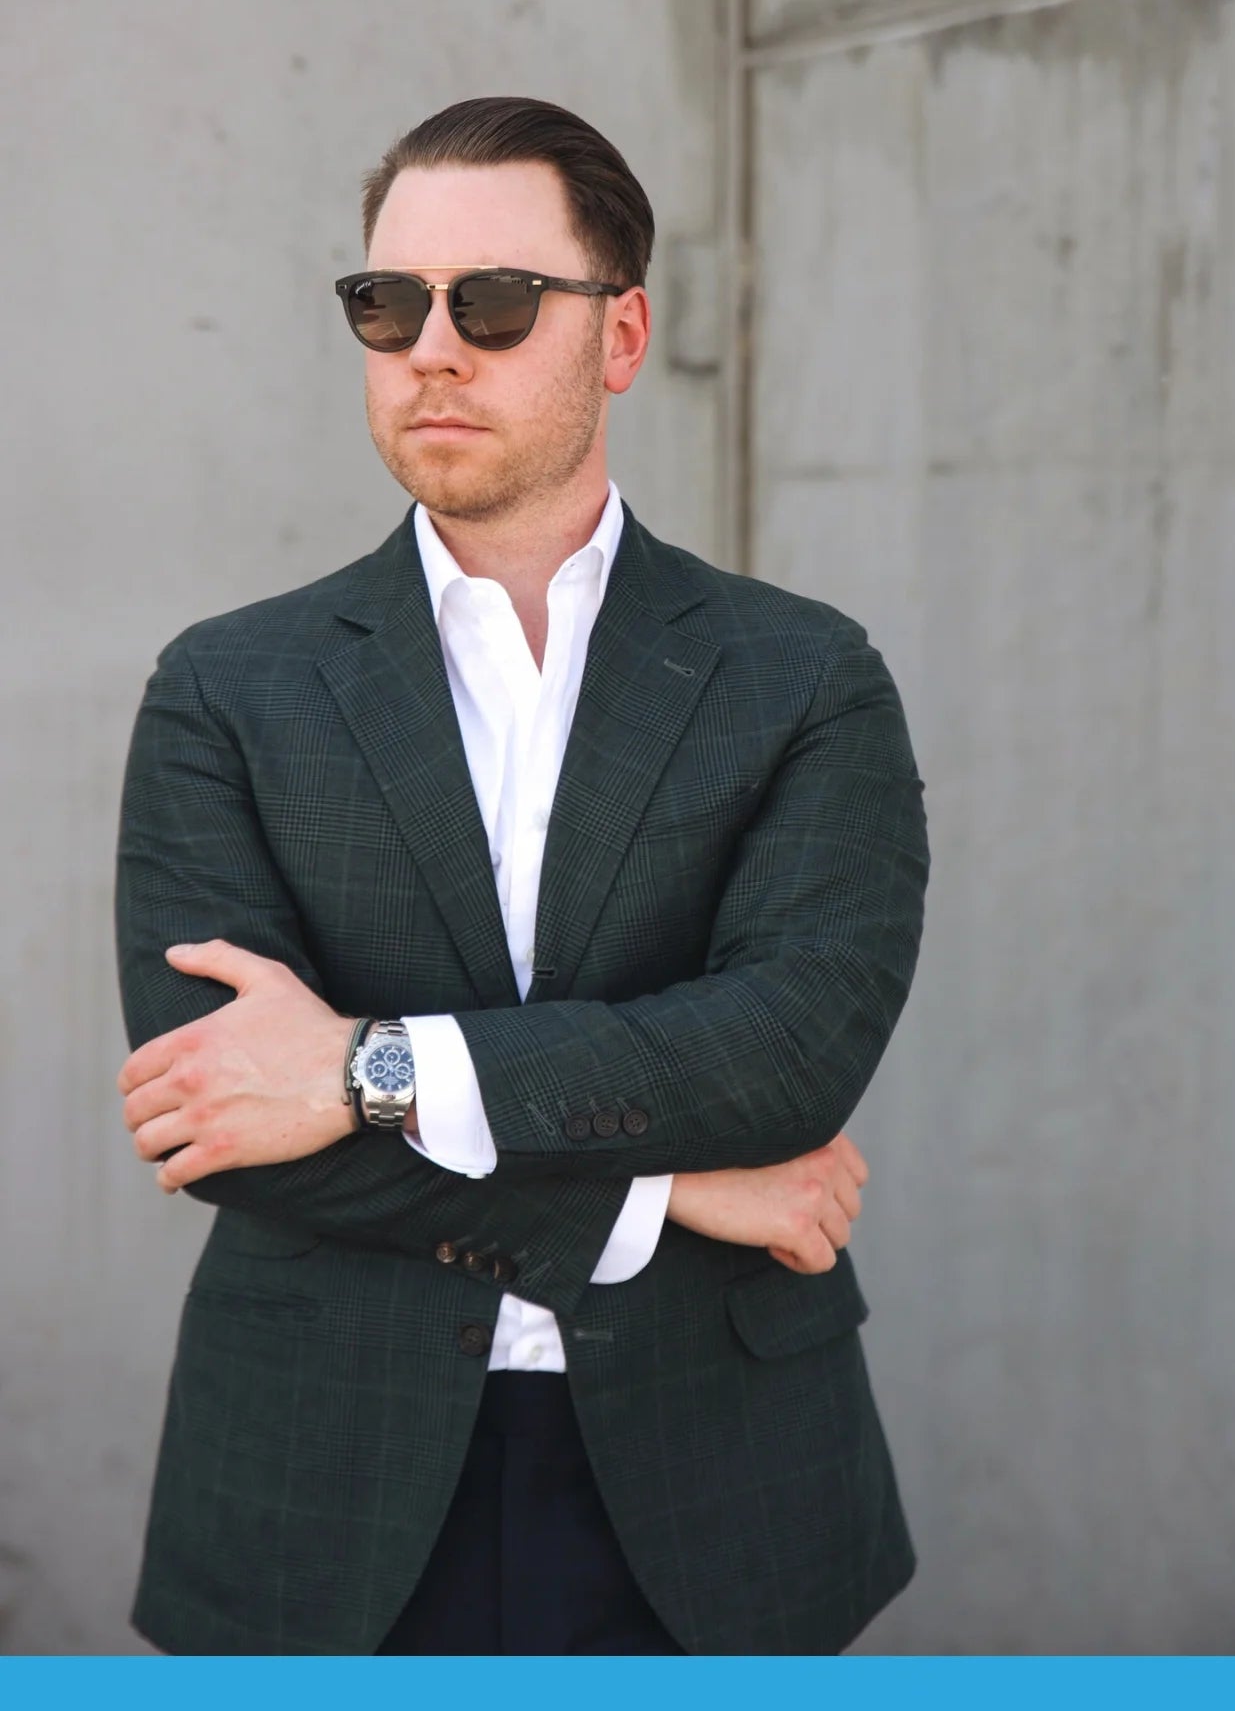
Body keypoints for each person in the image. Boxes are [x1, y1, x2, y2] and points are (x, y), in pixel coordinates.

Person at [114, 95, 930, 1656]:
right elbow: (215, 1116)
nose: (432, 346)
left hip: (717, 1476)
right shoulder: (228, 687)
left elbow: (790, 1048)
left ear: (617, 338)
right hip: (316, 1472)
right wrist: (672, 1191)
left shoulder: (801, 674)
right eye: (386, 304)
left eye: (491, 303)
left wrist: (365, 1066)